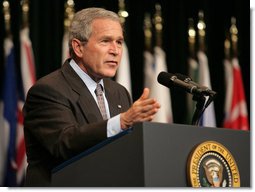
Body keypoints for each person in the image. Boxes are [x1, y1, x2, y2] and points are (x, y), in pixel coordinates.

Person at [22, 7, 160, 186]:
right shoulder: (48, 90)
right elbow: (64, 143)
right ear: (78, 47)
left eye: (119, 42)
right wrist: (122, 122)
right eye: (105, 41)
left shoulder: (119, 92)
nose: (115, 50)